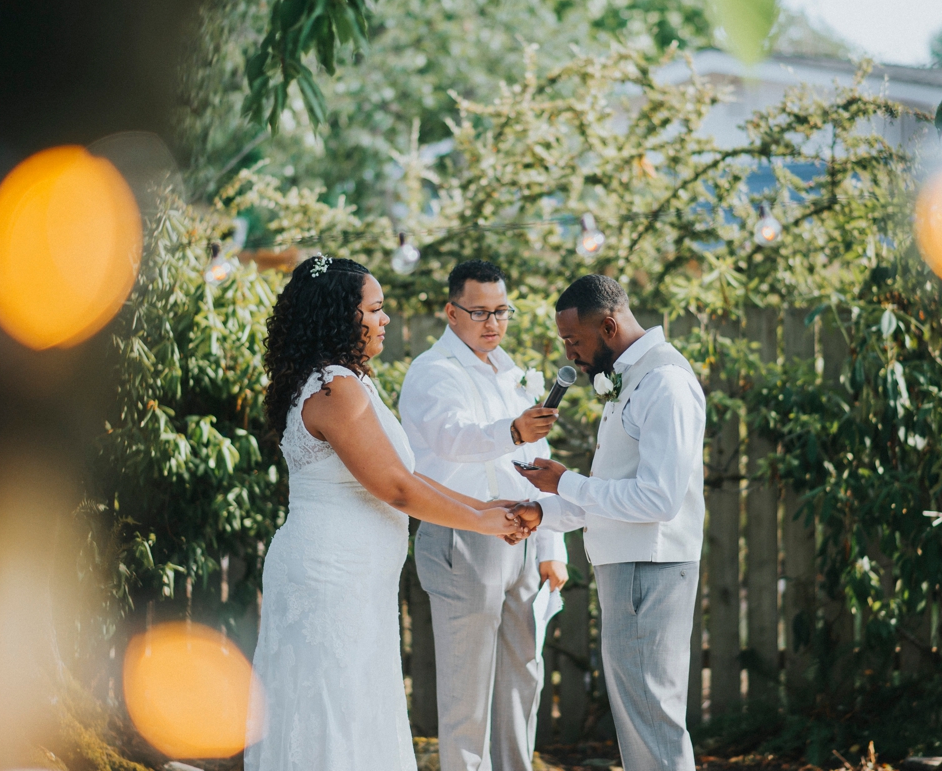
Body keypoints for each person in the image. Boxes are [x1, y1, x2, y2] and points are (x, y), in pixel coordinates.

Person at [245, 256, 529, 771]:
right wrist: (481, 523)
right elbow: (395, 488)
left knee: (353, 708)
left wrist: (482, 504)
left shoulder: (341, 381)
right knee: (335, 711)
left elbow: (404, 473)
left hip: (354, 578)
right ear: (341, 316)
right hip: (331, 577)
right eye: (375, 309)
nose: (385, 319)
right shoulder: (335, 388)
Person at [510, 274, 706, 771]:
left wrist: (566, 482)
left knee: (652, 719)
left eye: (573, 341)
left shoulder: (664, 382)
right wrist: (545, 511)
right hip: (630, 568)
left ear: (609, 326)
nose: (570, 354)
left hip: (649, 569)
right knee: (640, 720)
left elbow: (658, 499)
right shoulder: (633, 377)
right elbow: (615, 491)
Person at [399, 259, 569, 771]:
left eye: (501, 311)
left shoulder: (509, 369)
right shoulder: (433, 371)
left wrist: (551, 545)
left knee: (524, 674)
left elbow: (536, 460)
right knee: (467, 686)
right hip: (463, 535)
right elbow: (451, 439)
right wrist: (513, 430)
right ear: (451, 312)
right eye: (480, 312)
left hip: (523, 534)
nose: (493, 323)